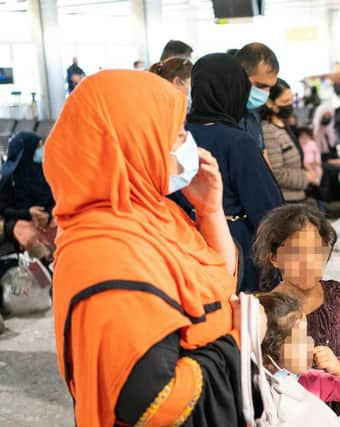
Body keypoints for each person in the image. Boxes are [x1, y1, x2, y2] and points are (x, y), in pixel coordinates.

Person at [44, 69, 244, 426]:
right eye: (177, 133)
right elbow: (152, 400)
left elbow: (220, 278)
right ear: (134, 143)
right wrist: (236, 341)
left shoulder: (154, 211)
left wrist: (210, 212)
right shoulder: (104, 253)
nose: (189, 143)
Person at [186, 53, 283, 293]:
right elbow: (268, 209)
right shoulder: (238, 142)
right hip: (236, 247)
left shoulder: (177, 135)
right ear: (235, 89)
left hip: (188, 246)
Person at [258, 292, 340, 406]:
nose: (311, 342)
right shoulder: (254, 394)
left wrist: (339, 369)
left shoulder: (311, 381)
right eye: (300, 340)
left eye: (307, 334)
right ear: (268, 356)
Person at [0, 132, 56, 261]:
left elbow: (57, 199)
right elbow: (4, 210)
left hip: (46, 220)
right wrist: (28, 213)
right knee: (28, 235)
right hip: (22, 220)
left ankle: (57, 264)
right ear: (26, 153)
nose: (42, 151)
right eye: (38, 148)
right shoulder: (10, 179)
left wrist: (47, 213)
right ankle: (43, 265)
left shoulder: (45, 171)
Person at [261, 78, 314, 203]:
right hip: (287, 201)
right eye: (285, 101)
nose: (290, 105)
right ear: (270, 103)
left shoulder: (284, 126)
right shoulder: (268, 131)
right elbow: (276, 173)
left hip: (299, 197)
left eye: (291, 100)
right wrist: (306, 177)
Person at [236, 43, 280, 154]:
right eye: (261, 86)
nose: (265, 93)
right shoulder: (222, 118)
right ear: (240, 76)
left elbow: (262, 153)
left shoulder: (254, 113)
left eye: (270, 87)